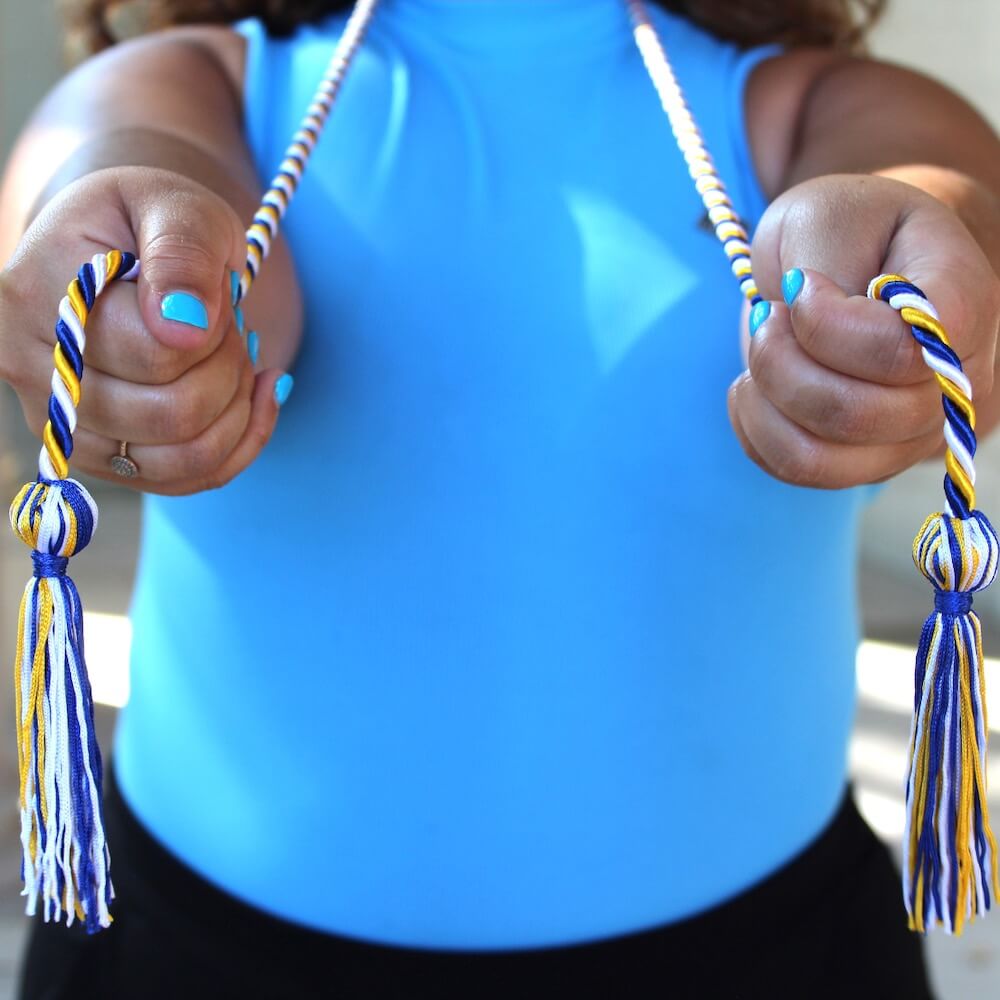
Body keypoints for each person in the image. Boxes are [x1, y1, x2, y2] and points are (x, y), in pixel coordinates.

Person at [2, 0, 999, 996]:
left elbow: (936, 199)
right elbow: (123, 161)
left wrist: (921, 269)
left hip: (762, 954)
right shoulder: (195, 83)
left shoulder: (814, 105)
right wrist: (147, 277)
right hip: (199, 949)